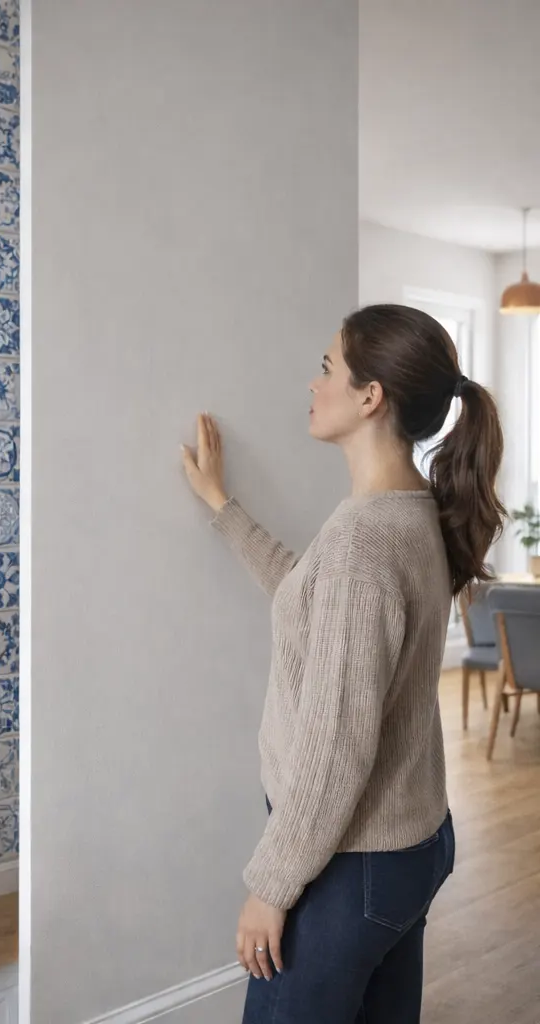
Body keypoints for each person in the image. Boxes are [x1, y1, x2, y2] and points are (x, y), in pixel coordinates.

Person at [180, 304, 505, 1023]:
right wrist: (223, 506)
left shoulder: (366, 537)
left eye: (327, 367)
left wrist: (271, 886)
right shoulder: (410, 512)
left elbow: (335, 751)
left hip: (348, 862)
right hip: (406, 848)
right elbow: (316, 599)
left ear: (370, 396)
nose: (313, 381)